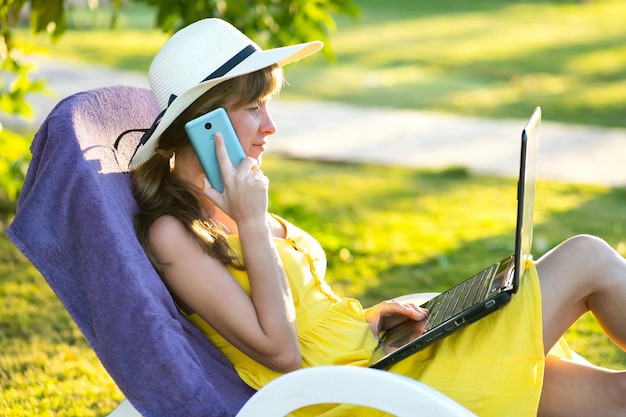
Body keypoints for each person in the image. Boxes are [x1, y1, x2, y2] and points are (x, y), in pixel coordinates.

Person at [127, 18, 626, 417]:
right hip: (362, 398)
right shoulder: (175, 233)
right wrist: (254, 223)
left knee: (615, 398)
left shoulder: (233, 195)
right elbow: (279, 354)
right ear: (204, 122)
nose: (270, 126)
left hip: (381, 360)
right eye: (254, 107)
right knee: (586, 257)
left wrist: (371, 320)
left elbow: (303, 317)